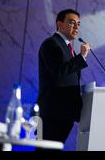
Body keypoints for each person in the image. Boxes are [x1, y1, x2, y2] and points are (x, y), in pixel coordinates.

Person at [36, 9, 91, 145]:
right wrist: (81, 57)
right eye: (72, 23)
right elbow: (59, 72)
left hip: (64, 113)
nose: (77, 27)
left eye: (78, 24)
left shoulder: (66, 47)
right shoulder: (51, 44)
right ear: (59, 24)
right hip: (52, 113)